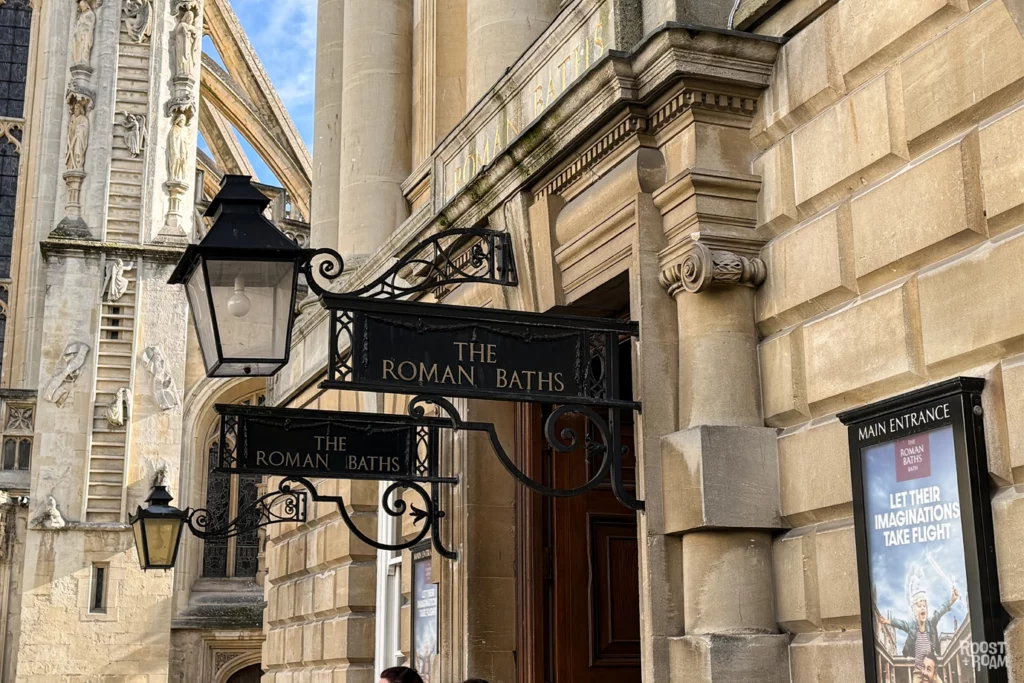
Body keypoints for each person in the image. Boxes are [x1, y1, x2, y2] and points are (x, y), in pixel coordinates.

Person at [877, 585, 959, 683]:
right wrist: (887, 621)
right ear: (915, 612)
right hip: (918, 671)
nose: (923, 608)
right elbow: (901, 624)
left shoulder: (930, 623)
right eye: (919, 606)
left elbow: (939, 613)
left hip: (930, 669)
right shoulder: (912, 627)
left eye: (924, 606)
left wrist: (951, 600)